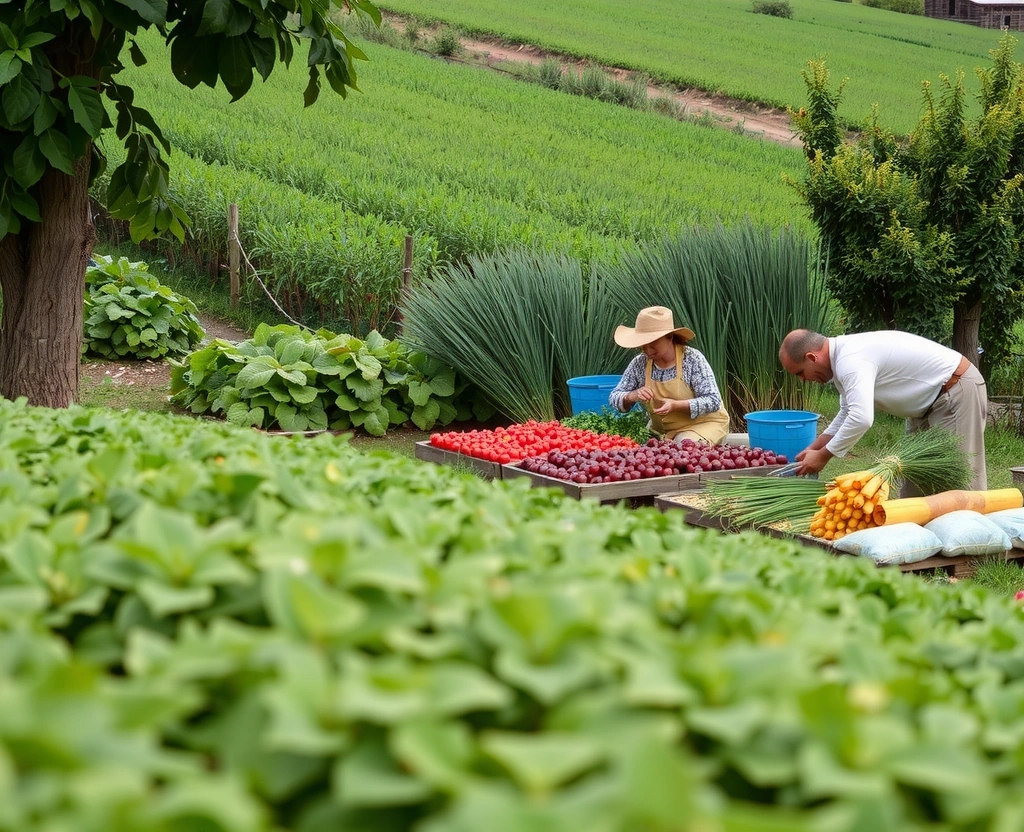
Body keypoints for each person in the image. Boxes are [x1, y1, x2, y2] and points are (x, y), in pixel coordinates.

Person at [778, 328, 987, 490]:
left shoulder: (850, 360)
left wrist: (823, 455)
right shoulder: (842, 359)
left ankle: (976, 541)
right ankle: (914, 540)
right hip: (924, 406)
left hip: (955, 390)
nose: (804, 380)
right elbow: (847, 412)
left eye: (800, 373)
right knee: (914, 479)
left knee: (960, 478)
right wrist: (815, 447)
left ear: (812, 357)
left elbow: (861, 418)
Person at [609, 306, 730, 445]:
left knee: (684, 447)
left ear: (670, 337)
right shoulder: (640, 363)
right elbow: (614, 398)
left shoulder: (692, 359)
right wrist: (632, 395)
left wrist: (676, 405)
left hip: (704, 424)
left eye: (653, 342)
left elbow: (713, 400)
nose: (647, 349)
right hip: (662, 432)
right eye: (643, 344)